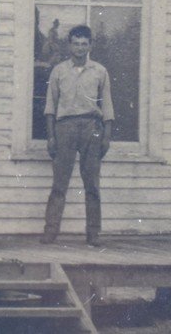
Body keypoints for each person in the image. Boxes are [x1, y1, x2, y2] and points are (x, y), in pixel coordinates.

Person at [41, 25, 114, 247]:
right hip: (65, 127)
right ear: (69, 45)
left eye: (84, 44)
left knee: (92, 183)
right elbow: (50, 107)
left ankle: (93, 233)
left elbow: (107, 106)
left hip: (91, 126)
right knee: (59, 184)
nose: (80, 48)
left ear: (90, 45)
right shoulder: (59, 71)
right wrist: (51, 136)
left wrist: (106, 136)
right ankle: (51, 231)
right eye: (75, 43)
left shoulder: (99, 71)